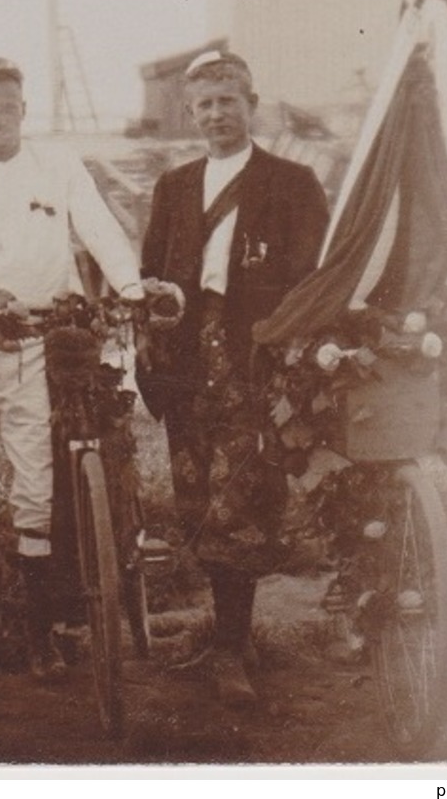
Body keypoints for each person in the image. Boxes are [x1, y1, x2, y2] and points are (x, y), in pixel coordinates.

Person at [0, 56, 141, 679]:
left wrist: (127, 287)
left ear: (25, 108)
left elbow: (98, 227)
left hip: (37, 336)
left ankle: (42, 634)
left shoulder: (59, 165)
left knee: (36, 482)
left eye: (6, 106)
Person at [137, 49, 329, 705]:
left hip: (254, 358)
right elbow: (151, 271)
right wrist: (154, 332)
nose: (216, 114)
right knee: (195, 496)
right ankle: (231, 633)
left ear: (251, 104)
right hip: (187, 359)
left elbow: (311, 275)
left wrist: (284, 349)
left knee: (242, 500)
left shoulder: (291, 182)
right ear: (190, 114)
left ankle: (228, 648)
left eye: (228, 101)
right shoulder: (175, 186)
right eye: (204, 104)